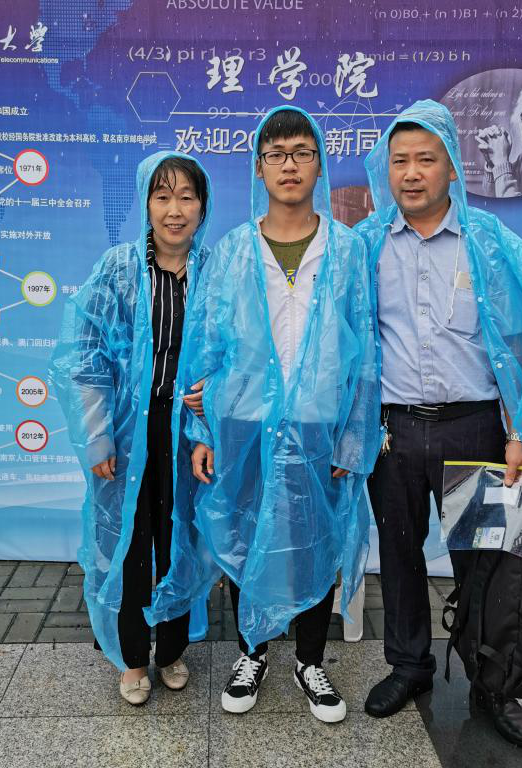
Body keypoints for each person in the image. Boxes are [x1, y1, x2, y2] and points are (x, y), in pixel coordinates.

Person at [146, 106, 381, 723]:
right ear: (259, 168)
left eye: (302, 153)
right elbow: (206, 345)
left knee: (314, 540)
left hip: (318, 423)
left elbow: (365, 352)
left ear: (319, 164)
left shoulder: (347, 249)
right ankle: (252, 653)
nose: (289, 166)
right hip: (246, 423)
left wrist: (353, 440)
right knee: (248, 535)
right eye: (276, 155)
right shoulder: (232, 251)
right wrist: (202, 431)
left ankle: (310, 660)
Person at [355, 99, 522, 746]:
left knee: (488, 564)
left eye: (426, 159)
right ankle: (409, 666)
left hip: (474, 428)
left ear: (451, 168)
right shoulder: (365, 245)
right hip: (392, 431)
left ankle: (492, 682)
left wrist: (518, 432)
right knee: (398, 553)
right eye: (400, 161)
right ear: (387, 169)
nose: (411, 173)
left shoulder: (489, 242)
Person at [50, 152, 211, 706]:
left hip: (188, 433)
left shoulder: (213, 274)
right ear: (146, 204)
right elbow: (84, 355)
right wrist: (96, 435)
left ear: (203, 206)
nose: (174, 210)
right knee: (129, 542)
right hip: (126, 432)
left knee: (181, 537)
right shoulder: (118, 269)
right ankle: (132, 658)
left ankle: (171, 650)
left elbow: (234, 352)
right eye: (162, 197)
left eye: (186, 197)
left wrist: (210, 406)